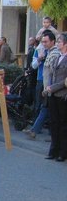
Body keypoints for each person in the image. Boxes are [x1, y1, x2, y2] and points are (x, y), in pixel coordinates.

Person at [27, 31, 59, 139]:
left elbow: (54, 73)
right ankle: (39, 131)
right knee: (44, 108)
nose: (44, 44)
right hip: (45, 85)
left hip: (53, 87)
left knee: (46, 109)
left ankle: (36, 130)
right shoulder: (43, 51)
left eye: (46, 41)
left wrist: (50, 87)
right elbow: (34, 66)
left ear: (52, 41)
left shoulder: (55, 54)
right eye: (42, 41)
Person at [44, 32, 67, 161]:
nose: (57, 43)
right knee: (54, 123)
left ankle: (62, 152)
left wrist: (52, 87)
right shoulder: (57, 56)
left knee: (63, 125)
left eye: (59, 41)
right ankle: (53, 150)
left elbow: (65, 80)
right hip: (53, 94)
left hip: (62, 95)